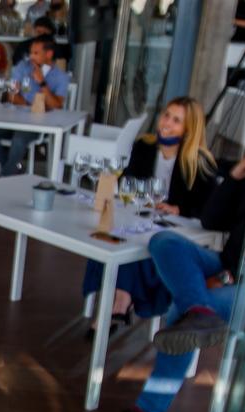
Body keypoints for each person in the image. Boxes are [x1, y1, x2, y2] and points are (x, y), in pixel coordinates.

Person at [89, 113, 245, 412]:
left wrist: (228, 275)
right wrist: (237, 175)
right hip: (227, 263)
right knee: (163, 242)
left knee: (179, 317)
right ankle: (199, 310)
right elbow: (211, 219)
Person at [82, 97, 217, 327]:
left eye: (176, 121)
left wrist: (179, 208)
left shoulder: (199, 161)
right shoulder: (144, 146)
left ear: (188, 129)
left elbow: (209, 206)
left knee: (139, 243)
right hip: (141, 218)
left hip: (176, 231)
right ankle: (119, 299)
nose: (167, 123)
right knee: (109, 235)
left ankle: (120, 301)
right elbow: (128, 184)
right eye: (166, 115)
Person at [0, 36, 69, 176]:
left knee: (19, 140)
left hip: (40, 123)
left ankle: (4, 177)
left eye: (36, 53)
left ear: (49, 54)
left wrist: (42, 83)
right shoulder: (22, 67)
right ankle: (16, 169)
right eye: (31, 53)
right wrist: (31, 105)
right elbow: (11, 94)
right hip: (14, 118)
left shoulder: (61, 76)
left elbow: (57, 105)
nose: (31, 57)